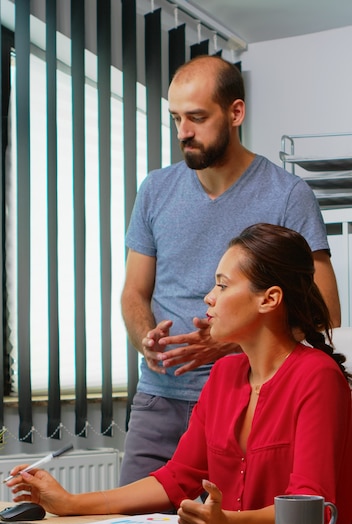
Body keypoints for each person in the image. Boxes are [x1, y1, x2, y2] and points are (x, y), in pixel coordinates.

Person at [7, 224, 352, 524]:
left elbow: (312, 508)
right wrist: (70, 503)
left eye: (223, 284)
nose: (209, 297)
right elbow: (177, 478)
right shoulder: (224, 375)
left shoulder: (317, 377)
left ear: (270, 299)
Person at [119, 54, 341, 486]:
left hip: (249, 398)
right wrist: (147, 342)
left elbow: (326, 312)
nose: (183, 132)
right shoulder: (155, 190)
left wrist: (225, 345)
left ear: (235, 112)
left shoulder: (288, 195)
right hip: (158, 400)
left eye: (197, 118)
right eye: (176, 118)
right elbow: (133, 293)